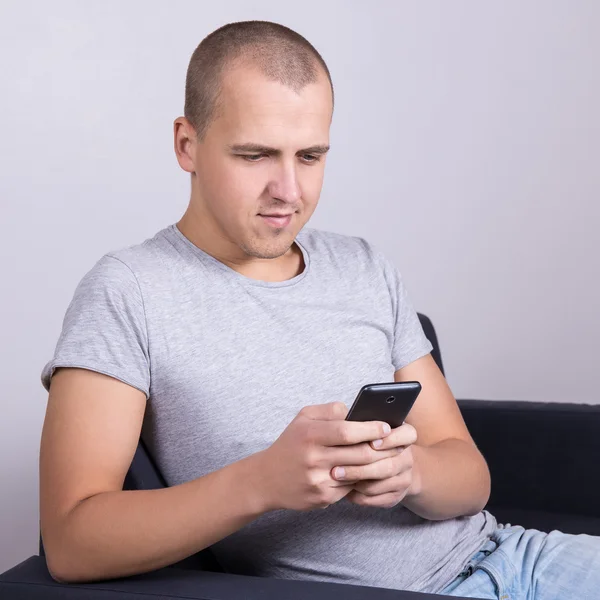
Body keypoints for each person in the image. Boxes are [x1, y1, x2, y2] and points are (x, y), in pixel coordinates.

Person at [39, 20, 599, 599]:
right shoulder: (127, 290)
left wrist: (411, 475)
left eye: (310, 155)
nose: (289, 190)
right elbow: (71, 543)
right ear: (187, 144)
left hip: (515, 555)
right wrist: (261, 482)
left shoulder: (362, 265)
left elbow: (471, 480)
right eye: (255, 155)